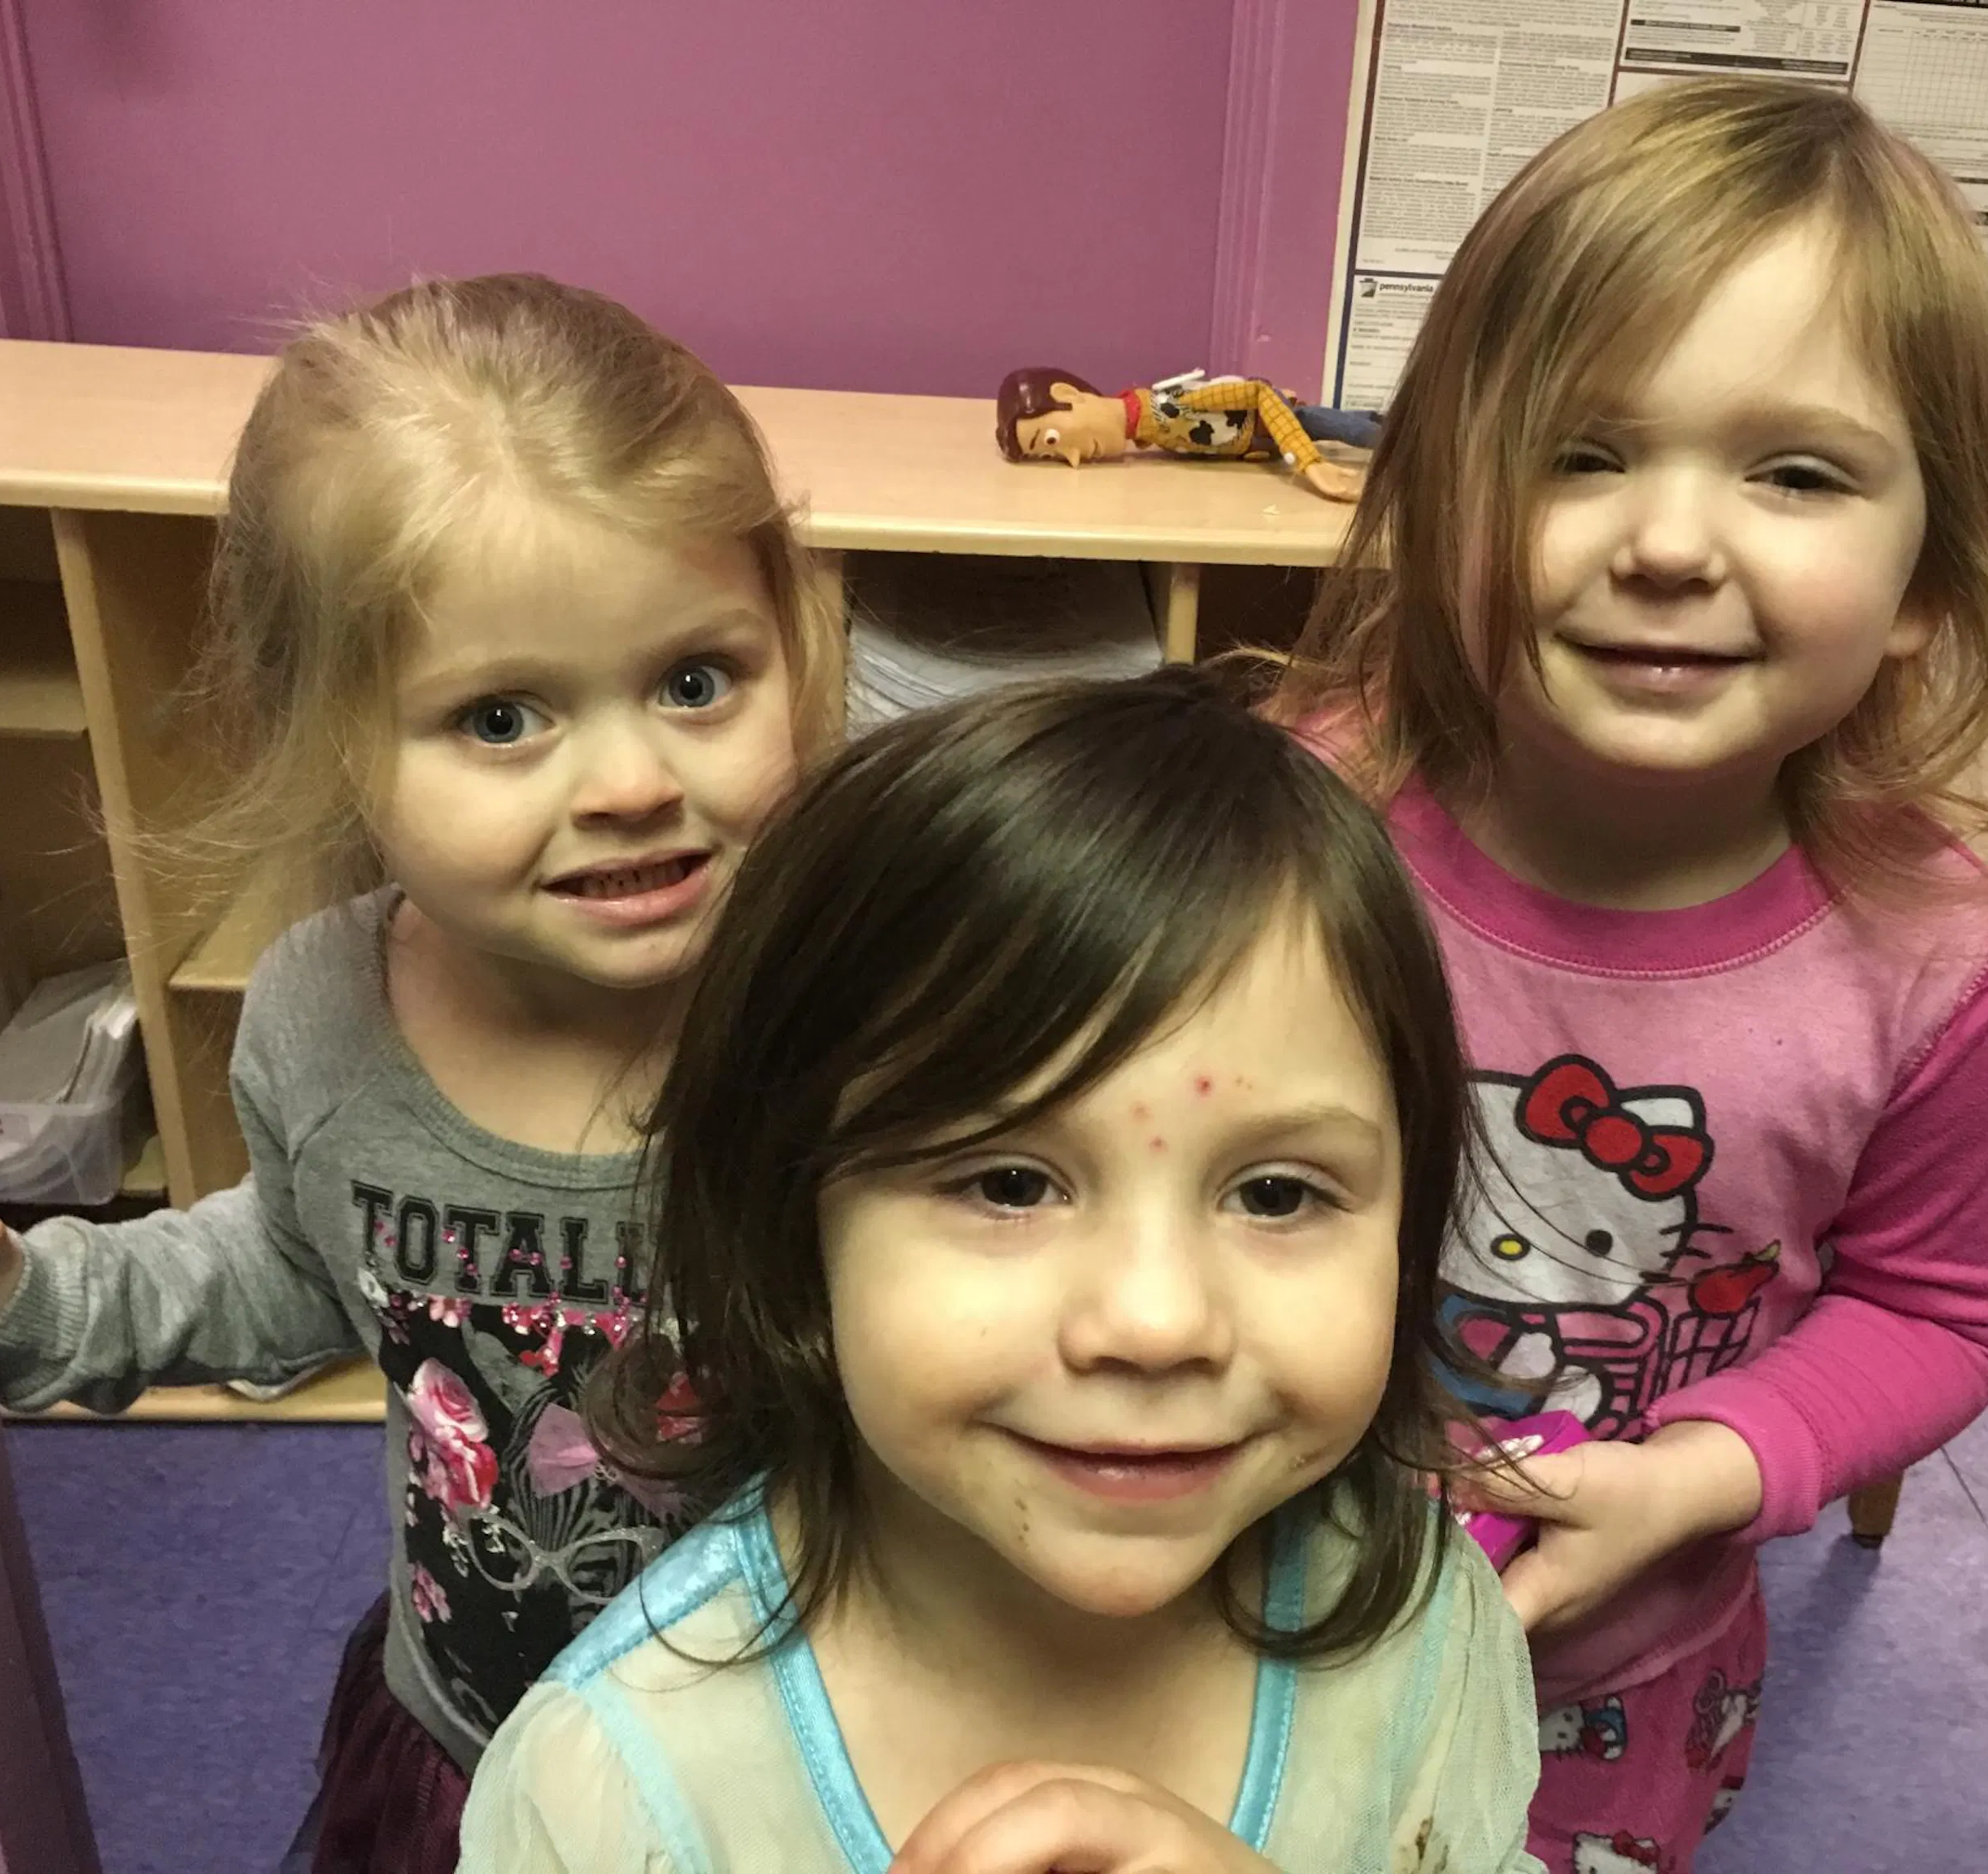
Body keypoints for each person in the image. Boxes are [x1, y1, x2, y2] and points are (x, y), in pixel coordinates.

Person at [0, 272, 841, 1874]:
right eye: (501, 717)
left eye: (696, 681)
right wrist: (38, 1297)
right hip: (468, 1731)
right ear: (330, 738)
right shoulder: (322, 1010)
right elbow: (297, 1264)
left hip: (791, 1774)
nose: (633, 781)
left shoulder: (861, 1005)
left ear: (793, 642)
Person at [1272, 77, 1988, 1874]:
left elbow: (1941, 1313)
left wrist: (1701, 1475)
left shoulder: (1925, 954)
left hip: (1617, 1689)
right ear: (1440, 500)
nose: (1672, 543)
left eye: (1795, 473)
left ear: (1926, 578)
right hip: (1236, 1618)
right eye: (1582, 451)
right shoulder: (1296, 823)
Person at [456, 669, 1545, 1874]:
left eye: (1277, 1194)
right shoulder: (611, 1793)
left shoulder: (1428, 1627)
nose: (1156, 1321)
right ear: (791, 1219)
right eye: (1010, 1184)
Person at [995, 365, 1375, 501]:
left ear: (1068, 395)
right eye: (1052, 456)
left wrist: (1308, 461)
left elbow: (1259, 393)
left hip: (1277, 426)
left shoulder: (1173, 405)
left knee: (1355, 431)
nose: (1075, 459)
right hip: (1260, 449)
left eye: (1052, 441)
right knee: (1366, 423)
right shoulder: (1158, 437)